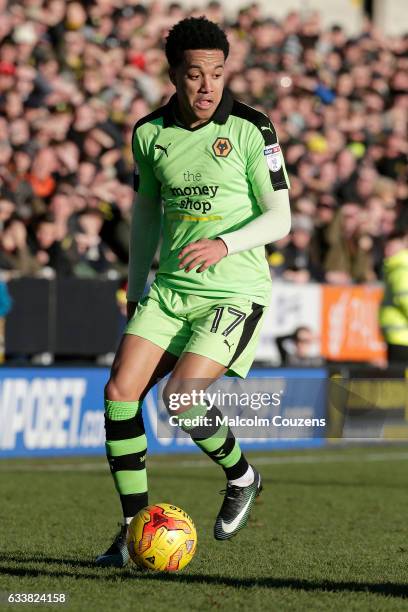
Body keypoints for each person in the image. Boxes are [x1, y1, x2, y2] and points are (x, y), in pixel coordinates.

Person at [97, 17, 291, 567]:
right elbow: (144, 216)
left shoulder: (254, 128)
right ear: (173, 74)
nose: (208, 87)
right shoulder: (150, 133)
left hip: (234, 289)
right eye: (195, 75)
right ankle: (135, 530)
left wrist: (226, 244)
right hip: (171, 290)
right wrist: (137, 290)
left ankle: (243, 476)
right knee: (118, 394)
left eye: (218, 74)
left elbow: (281, 217)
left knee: (179, 398)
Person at [379, 231, 408, 364]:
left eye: (391, 246)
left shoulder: (400, 268)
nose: (387, 250)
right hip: (399, 336)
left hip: (401, 337)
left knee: (399, 381)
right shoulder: (395, 267)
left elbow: (405, 298)